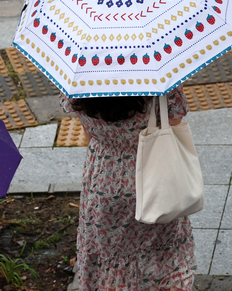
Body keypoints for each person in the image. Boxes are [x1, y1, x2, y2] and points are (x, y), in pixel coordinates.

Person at [61, 87, 195, 291]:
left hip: (104, 179)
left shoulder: (80, 87)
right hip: (156, 176)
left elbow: (90, 137)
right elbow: (174, 125)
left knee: (111, 255)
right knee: (161, 250)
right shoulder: (162, 86)